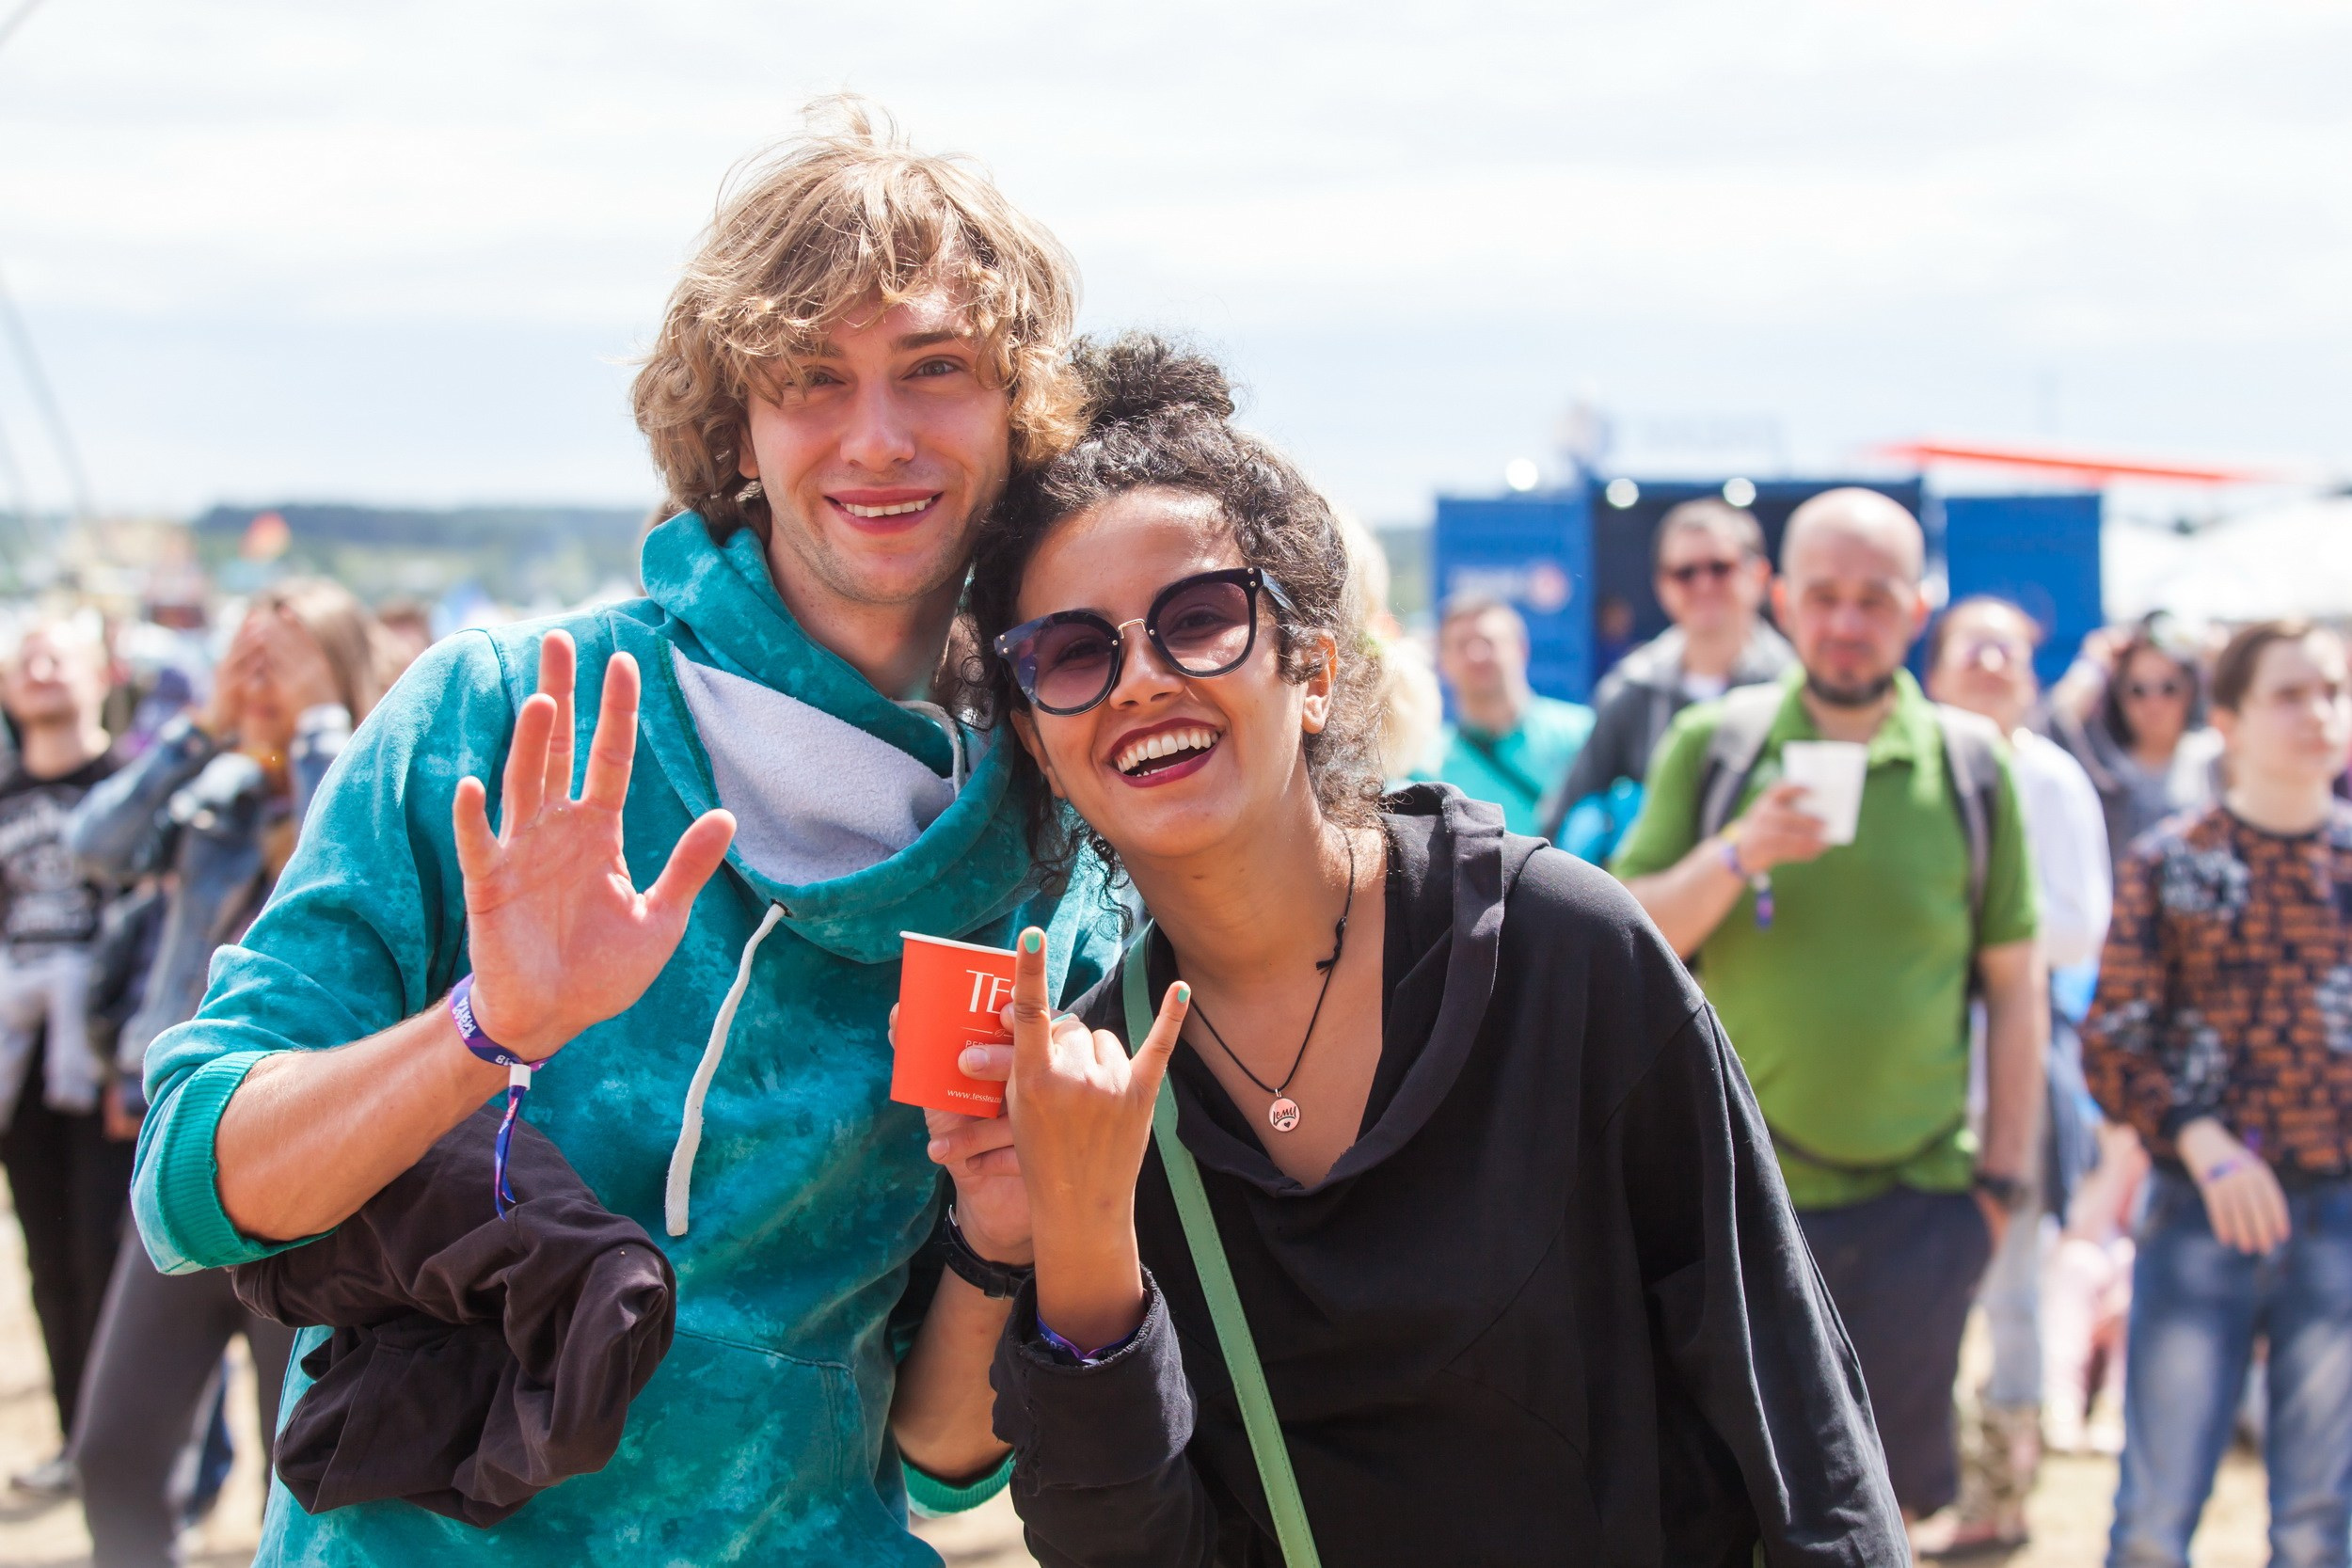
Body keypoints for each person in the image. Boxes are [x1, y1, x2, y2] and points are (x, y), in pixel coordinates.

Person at [122, 104, 1121, 1565]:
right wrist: (485, 1024)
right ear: (734, 425)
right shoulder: (506, 713)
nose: (879, 436)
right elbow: (189, 1186)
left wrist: (1002, 1229)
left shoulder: (1040, 847)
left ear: (1017, 408)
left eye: (938, 370)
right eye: (809, 379)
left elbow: (946, 1460)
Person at [938, 335, 1905, 1565]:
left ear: (1314, 667)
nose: (1141, 678)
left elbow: (1802, 1431)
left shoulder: (1563, 951)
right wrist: (1077, 1240)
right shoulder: (1095, 1084)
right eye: (1073, 652)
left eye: (1199, 620)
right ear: (1033, 731)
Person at [1611, 487, 2047, 1529]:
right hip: (1737, 1204)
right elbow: (1627, 936)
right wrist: (1737, 850)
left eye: (1874, 597)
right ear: (1782, 599)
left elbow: (2016, 990)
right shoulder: (1715, 745)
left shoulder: (1972, 767)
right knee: (1728, 1493)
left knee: (1879, 1508)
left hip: (1919, 1203)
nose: (1848, 622)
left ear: (1918, 605)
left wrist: (1997, 1189)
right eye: (1824, 596)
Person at [68, 581, 377, 1565]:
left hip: (330, 1180)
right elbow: (98, 845)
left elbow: (339, 856)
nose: (260, 677)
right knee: (113, 1452)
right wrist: (202, 724)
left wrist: (326, 722)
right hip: (194, 1161)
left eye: (284, 655)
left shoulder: (377, 780)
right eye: (246, 653)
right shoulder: (220, 796)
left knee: (299, 1469)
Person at [2081, 619, 2352, 1568]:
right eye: (2289, 693)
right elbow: (2111, 1039)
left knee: (2320, 1522)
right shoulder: (2171, 862)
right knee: (2155, 1519)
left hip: (2338, 1218)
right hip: (2200, 1219)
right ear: (2227, 720)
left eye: (2329, 689)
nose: (2317, 712)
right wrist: (2200, 1137)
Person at [1918, 594, 2113, 1555]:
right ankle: (1917, 1477)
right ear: (1937, 666)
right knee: (1918, 1291)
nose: (1991, 661)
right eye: (1971, 646)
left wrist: (1989, 932)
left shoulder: (2052, 780)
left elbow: (2083, 921)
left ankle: (2000, 1490)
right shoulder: (1907, 772)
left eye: (2008, 648)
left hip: (2015, 1075)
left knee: (2013, 1290)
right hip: (1911, 1083)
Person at [0, 616, 131, 1496]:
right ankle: (77, 1449)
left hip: (113, 1061)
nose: (39, 666)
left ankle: (132, 1455)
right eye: (23, 654)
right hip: (25, 1062)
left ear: (102, 674)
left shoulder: (134, 787)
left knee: (113, 1259)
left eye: (59, 651)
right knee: (47, 1259)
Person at [1542, 498, 1793, 854]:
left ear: (1760, 576)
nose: (1703, 584)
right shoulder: (1631, 690)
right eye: (1685, 573)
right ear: (1663, 586)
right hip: (1654, 906)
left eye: (1720, 567)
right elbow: (1564, 817)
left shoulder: (1795, 687)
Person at [2050, 614, 2223, 872]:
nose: (2154, 703)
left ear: (2191, 690)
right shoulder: (2102, 765)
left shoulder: (2215, 755)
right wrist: (2093, 664)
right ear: (2118, 695)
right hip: (2122, 908)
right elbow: (2055, 721)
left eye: (2169, 688)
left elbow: (2255, 714)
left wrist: (2220, 657)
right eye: (2137, 690)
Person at [1424, 594, 1592, 834]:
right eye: (1462, 644)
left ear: (1521, 649)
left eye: (1489, 641)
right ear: (1443, 663)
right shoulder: (1428, 763)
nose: (1477, 654)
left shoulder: (1582, 734)